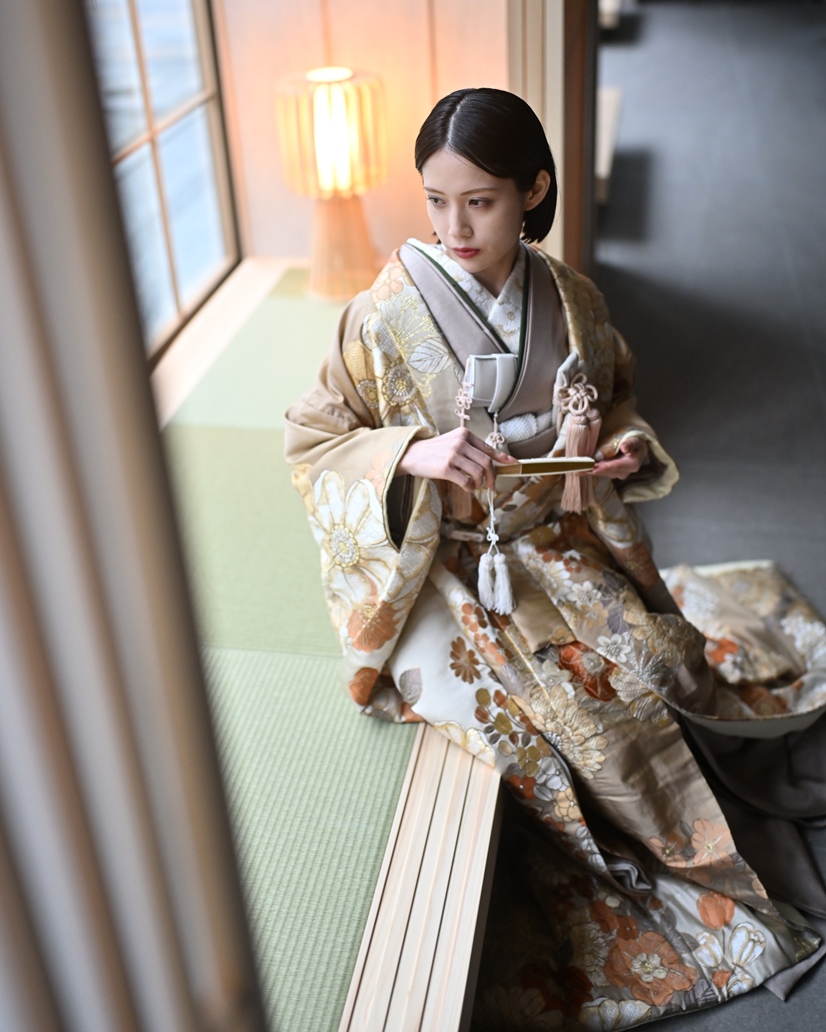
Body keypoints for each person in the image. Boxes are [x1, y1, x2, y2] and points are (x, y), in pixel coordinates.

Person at [284, 88, 826, 1029]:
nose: (454, 226)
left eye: (481, 201)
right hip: (447, 566)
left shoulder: (570, 297)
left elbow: (616, 399)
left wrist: (619, 449)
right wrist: (410, 451)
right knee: (575, 722)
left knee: (666, 661)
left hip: (555, 537)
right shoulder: (381, 317)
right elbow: (312, 436)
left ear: (534, 190)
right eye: (436, 200)